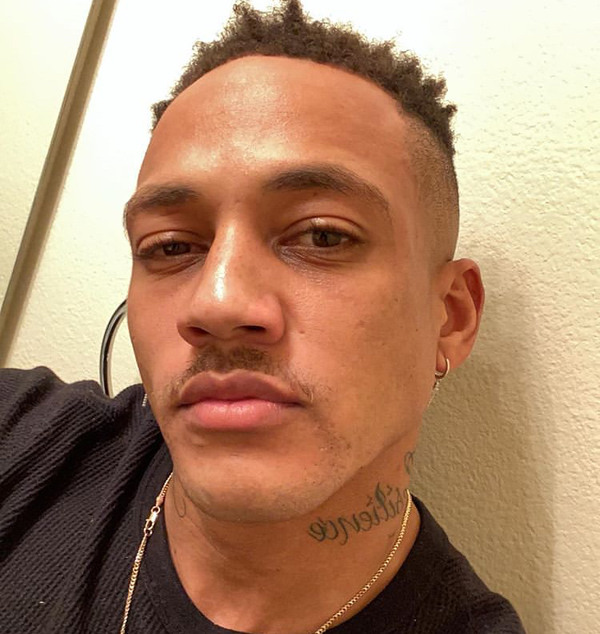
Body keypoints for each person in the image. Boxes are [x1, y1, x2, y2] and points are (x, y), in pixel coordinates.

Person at [0, 1, 525, 632]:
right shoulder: (20, 438)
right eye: (171, 246)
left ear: (450, 318)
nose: (215, 303)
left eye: (323, 236)